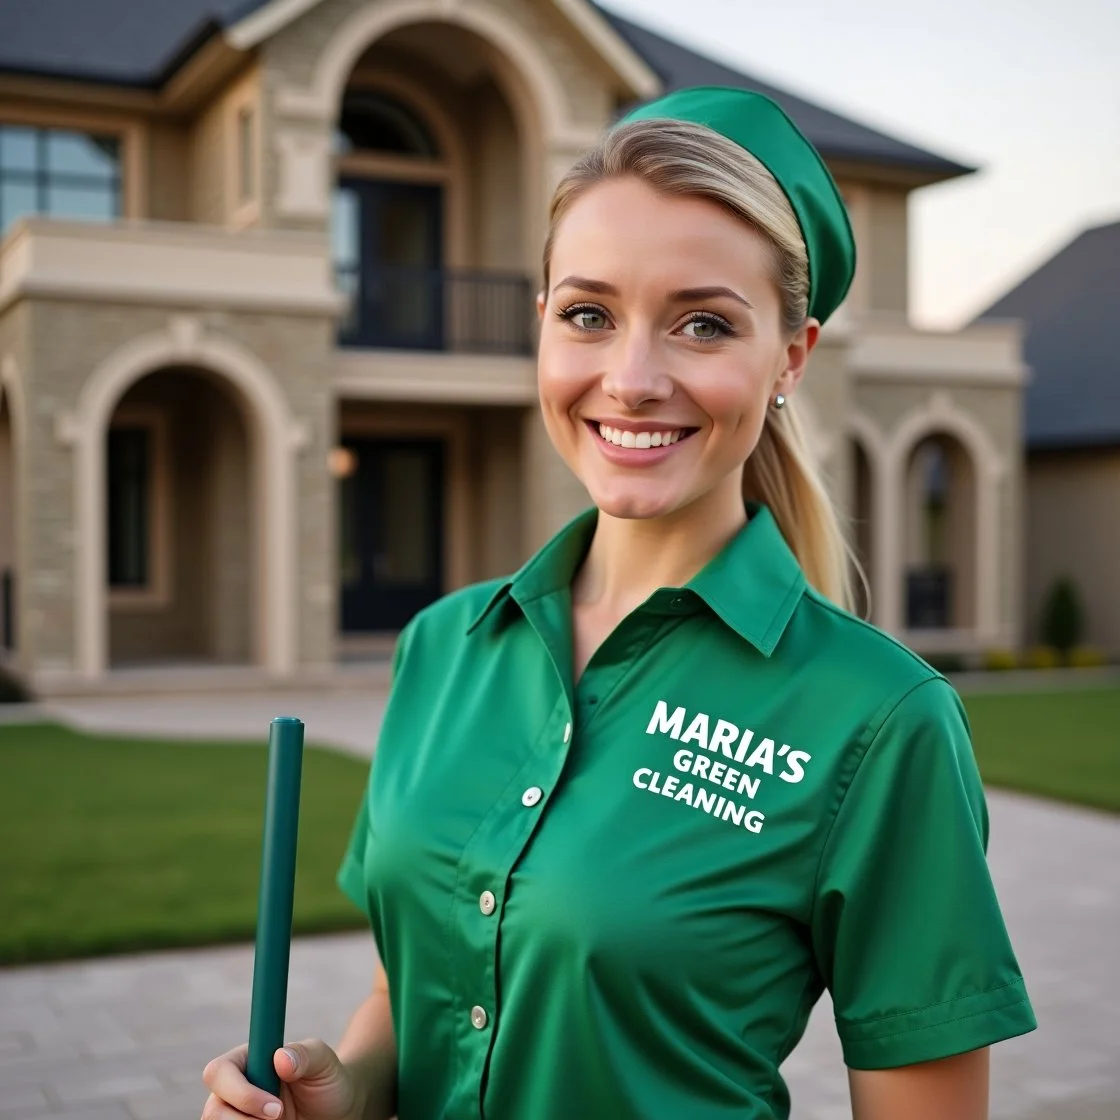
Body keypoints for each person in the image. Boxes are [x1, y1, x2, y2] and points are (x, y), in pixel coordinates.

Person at [201, 85, 1036, 1120]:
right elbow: (408, 983)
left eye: (701, 323)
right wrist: (344, 1092)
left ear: (790, 357)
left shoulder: (879, 721)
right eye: (589, 314)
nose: (632, 378)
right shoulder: (443, 646)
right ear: (541, 326)